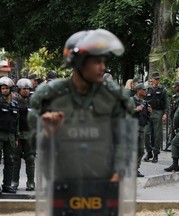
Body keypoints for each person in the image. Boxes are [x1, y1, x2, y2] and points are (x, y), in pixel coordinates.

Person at [28, 29, 136, 214]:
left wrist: (118, 175)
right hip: (63, 184)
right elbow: (32, 143)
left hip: (104, 185)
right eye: (96, 61)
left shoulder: (113, 97)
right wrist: (47, 131)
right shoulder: (50, 97)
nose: (103, 68)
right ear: (77, 62)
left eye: (104, 61)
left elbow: (123, 141)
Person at [11, 78, 35, 191]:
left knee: (30, 159)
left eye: (28, 89)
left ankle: (30, 182)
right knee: (16, 159)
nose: (26, 91)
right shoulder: (13, 101)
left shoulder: (33, 102)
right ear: (19, 89)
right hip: (17, 134)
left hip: (30, 134)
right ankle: (14, 181)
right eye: (24, 89)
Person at [143, 72, 168, 163]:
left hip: (158, 113)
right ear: (151, 80)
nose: (157, 81)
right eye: (155, 79)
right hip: (148, 113)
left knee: (158, 135)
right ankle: (149, 152)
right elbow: (143, 101)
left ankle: (156, 154)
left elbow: (166, 103)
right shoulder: (147, 90)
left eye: (158, 79)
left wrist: (165, 113)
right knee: (145, 133)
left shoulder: (162, 90)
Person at [0, 77, 19, 193]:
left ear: (10, 89)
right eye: (2, 88)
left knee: (10, 160)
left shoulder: (14, 103)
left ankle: (7, 185)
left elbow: (17, 122)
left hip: (11, 136)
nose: (4, 90)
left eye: (6, 88)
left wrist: (16, 137)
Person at [131, 83, 152, 177]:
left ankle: (135, 169)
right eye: (144, 90)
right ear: (139, 90)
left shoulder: (144, 102)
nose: (146, 91)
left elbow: (146, 117)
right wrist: (135, 110)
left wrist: (149, 112)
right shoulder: (131, 100)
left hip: (142, 128)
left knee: (140, 150)